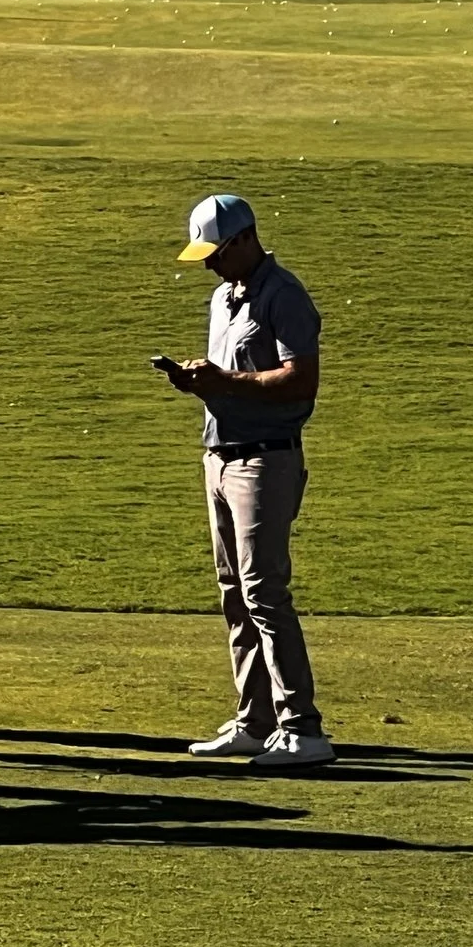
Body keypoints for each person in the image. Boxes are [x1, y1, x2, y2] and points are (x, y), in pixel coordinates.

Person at [158, 194, 333, 769]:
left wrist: (225, 382)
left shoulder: (285, 295)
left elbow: (301, 381)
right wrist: (199, 382)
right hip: (220, 454)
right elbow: (233, 378)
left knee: (264, 594)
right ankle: (255, 722)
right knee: (234, 593)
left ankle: (303, 728)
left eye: (216, 252)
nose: (209, 263)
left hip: (266, 460)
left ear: (245, 240)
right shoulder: (223, 297)